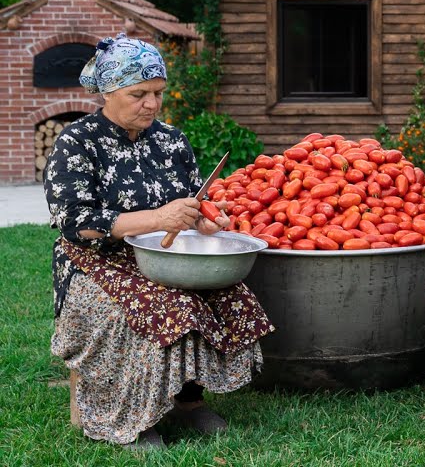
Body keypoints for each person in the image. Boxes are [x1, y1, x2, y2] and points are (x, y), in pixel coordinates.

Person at [45, 34, 273, 449]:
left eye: (158, 93)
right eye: (139, 94)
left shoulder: (171, 141)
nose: (151, 104)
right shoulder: (77, 142)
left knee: (228, 293)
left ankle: (187, 400)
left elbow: (193, 199)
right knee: (160, 306)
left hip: (162, 255)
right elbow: (74, 222)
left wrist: (207, 220)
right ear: (108, 93)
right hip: (94, 260)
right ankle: (130, 416)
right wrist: (157, 217)